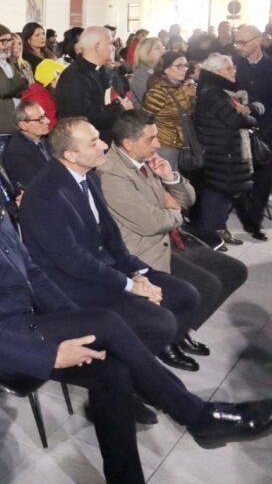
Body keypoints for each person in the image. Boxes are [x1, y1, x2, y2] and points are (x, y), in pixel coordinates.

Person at [0, 131, 272, 484]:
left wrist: (73, 320)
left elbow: (34, 275)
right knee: (108, 323)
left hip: (25, 321)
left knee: (111, 370)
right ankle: (198, 418)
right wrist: (49, 356)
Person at [20, 117, 203, 371]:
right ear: (71, 155)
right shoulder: (45, 195)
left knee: (186, 295)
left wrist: (141, 273)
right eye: (93, 142)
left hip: (103, 270)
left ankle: (140, 355)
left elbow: (112, 239)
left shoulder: (90, 178)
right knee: (161, 323)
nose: (104, 145)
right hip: (71, 284)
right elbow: (73, 261)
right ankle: (124, 370)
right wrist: (129, 285)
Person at [98, 110, 248, 359]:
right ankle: (166, 341)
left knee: (234, 271)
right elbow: (151, 222)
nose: (158, 144)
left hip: (170, 240)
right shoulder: (111, 174)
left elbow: (188, 198)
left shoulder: (145, 160)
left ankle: (180, 331)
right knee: (206, 286)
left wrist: (171, 177)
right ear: (128, 143)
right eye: (151, 139)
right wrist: (174, 210)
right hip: (143, 252)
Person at [192, 53, 259, 248]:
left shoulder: (215, 90)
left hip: (223, 149)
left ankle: (219, 230)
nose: (234, 71)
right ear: (217, 72)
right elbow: (234, 120)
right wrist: (250, 118)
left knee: (224, 193)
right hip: (220, 151)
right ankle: (211, 235)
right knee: (218, 193)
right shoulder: (213, 92)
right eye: (230, 68)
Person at [55, 26, 133, 142]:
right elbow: (86, 118)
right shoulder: (74, 77)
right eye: (110, 44)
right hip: (85, 142)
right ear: (97, 47)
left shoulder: (103, 70)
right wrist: (121, 109)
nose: (113, 48)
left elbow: (108, 101)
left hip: (106, 137)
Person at [231, 24, 272, 241]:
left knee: (264, 176)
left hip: (266, 130)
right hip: (238, 130)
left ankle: (254, 221)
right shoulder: (234, 65)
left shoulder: (270, 65)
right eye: (236, 42)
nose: (239, 47)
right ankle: (245, 213)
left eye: (243, 42)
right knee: (240, 176)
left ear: (257, 40)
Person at [141, 51, 194, 171]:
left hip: (180, 145)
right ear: (166, 69)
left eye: (186, 65)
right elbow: (145, 120)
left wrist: (191, 96)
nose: (184, 69)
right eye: (179, 66)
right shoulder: (158, 92)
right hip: (164, 146)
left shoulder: (179, 87)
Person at [2, 100, 52, 189]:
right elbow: (39, 185)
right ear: (23, 125)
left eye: (45, 116)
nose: (47, 121)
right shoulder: (17, 152)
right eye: (40, 119)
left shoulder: (49, 139)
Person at [130, 37, 165, 103]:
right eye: (158, 48)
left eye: (162, 47)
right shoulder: (140, 74)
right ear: (146, 53)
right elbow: (149, 103)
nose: (163, 50)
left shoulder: (159, 68)